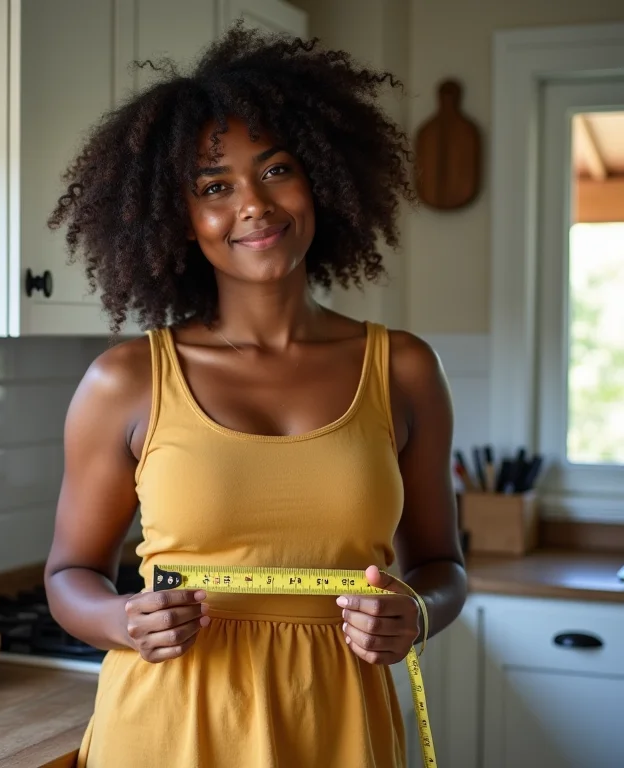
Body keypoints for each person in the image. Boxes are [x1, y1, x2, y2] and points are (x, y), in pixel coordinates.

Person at [45, 22, 467, 768]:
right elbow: (66, 575)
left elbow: (441, 564)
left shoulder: (403, 369)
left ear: (322, 180)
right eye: (214, 186)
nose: (253, 205)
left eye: (275, 170)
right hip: (167, 729)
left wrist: (418, 614)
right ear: (179, 221)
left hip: (338, 730)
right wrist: (121, 619)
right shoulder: (127, 380)